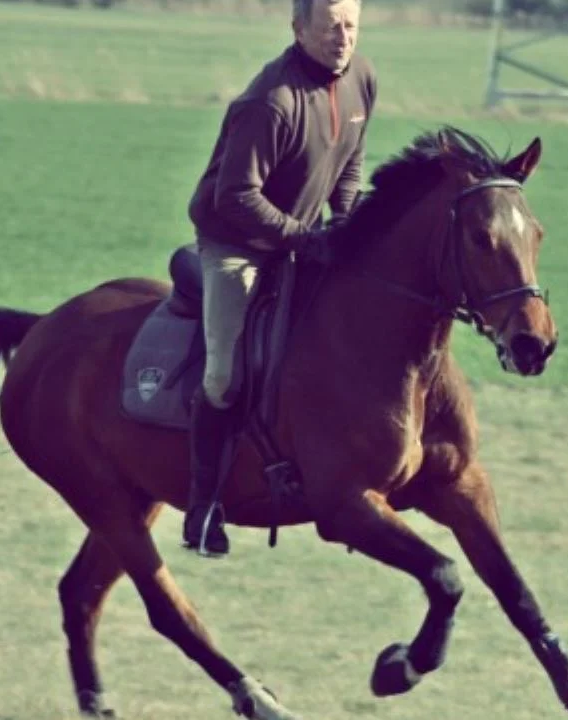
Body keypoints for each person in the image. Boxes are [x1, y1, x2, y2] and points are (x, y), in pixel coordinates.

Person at [182, 0, 377, 556]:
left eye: (351, 25)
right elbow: (235, 196)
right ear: (298, 29)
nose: (342, 37)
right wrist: (304, 238)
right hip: (235, 245)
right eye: (330, 27)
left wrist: (345, 224)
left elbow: (351, 159)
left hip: (304, 235)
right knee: (224, 378)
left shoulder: (361, 77)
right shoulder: (272, 101)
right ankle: (202, 509)